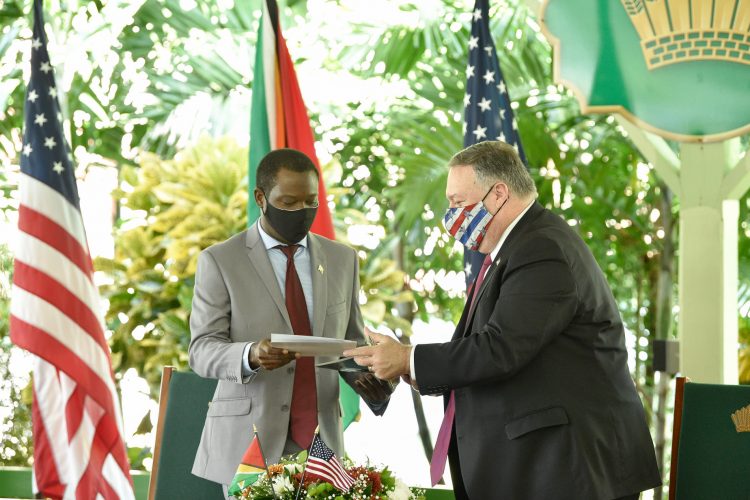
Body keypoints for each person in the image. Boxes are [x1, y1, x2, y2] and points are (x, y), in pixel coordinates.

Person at [345, 141, 661, 499]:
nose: (450, 214)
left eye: (457, 202)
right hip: (545, 466)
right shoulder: (519, 246)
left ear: (498, 194)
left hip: (570, 469)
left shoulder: (542, 249)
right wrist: (411, 370)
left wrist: (409, 357)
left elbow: (501, 347)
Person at [189, 148, 393, 495]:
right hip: (247, 446)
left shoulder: (343, 259)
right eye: (288, 203)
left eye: (310, 203)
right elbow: (201, 350)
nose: (301, 212)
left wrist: (371, 383)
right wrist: (251, 354)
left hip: (322, 446)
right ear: (261, 198)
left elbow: (352, 347)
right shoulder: (220, 260)